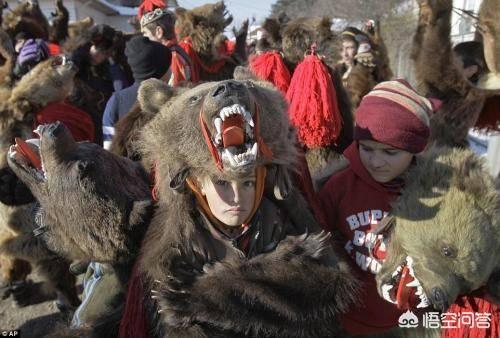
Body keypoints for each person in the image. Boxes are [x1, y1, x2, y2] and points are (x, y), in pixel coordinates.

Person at [118, 79, 356, 337]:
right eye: (221, 182)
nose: (236, 198)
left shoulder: (289, 228)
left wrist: (209, 298)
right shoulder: (178, 247)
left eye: (248, 183)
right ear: (197, 186)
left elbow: (329, 292)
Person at [318, 79, 441, 335]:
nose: (376, 161)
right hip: (346, 321)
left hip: (409, 323)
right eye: (367, 149)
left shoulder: (434, 194)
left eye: (390, 152)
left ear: (414, 150)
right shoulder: (339, 188)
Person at [102, 36, 172, 149]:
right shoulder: (171, 100)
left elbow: (109, 148)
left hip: (125, 165)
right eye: (169, 66)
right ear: (160, 70)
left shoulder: (116, 101)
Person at [140, 8, 193, 85]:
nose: (143, 38)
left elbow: (176, 93)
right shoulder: (172, 53)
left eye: (145, 33)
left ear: (159, 32)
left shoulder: (172, 57)